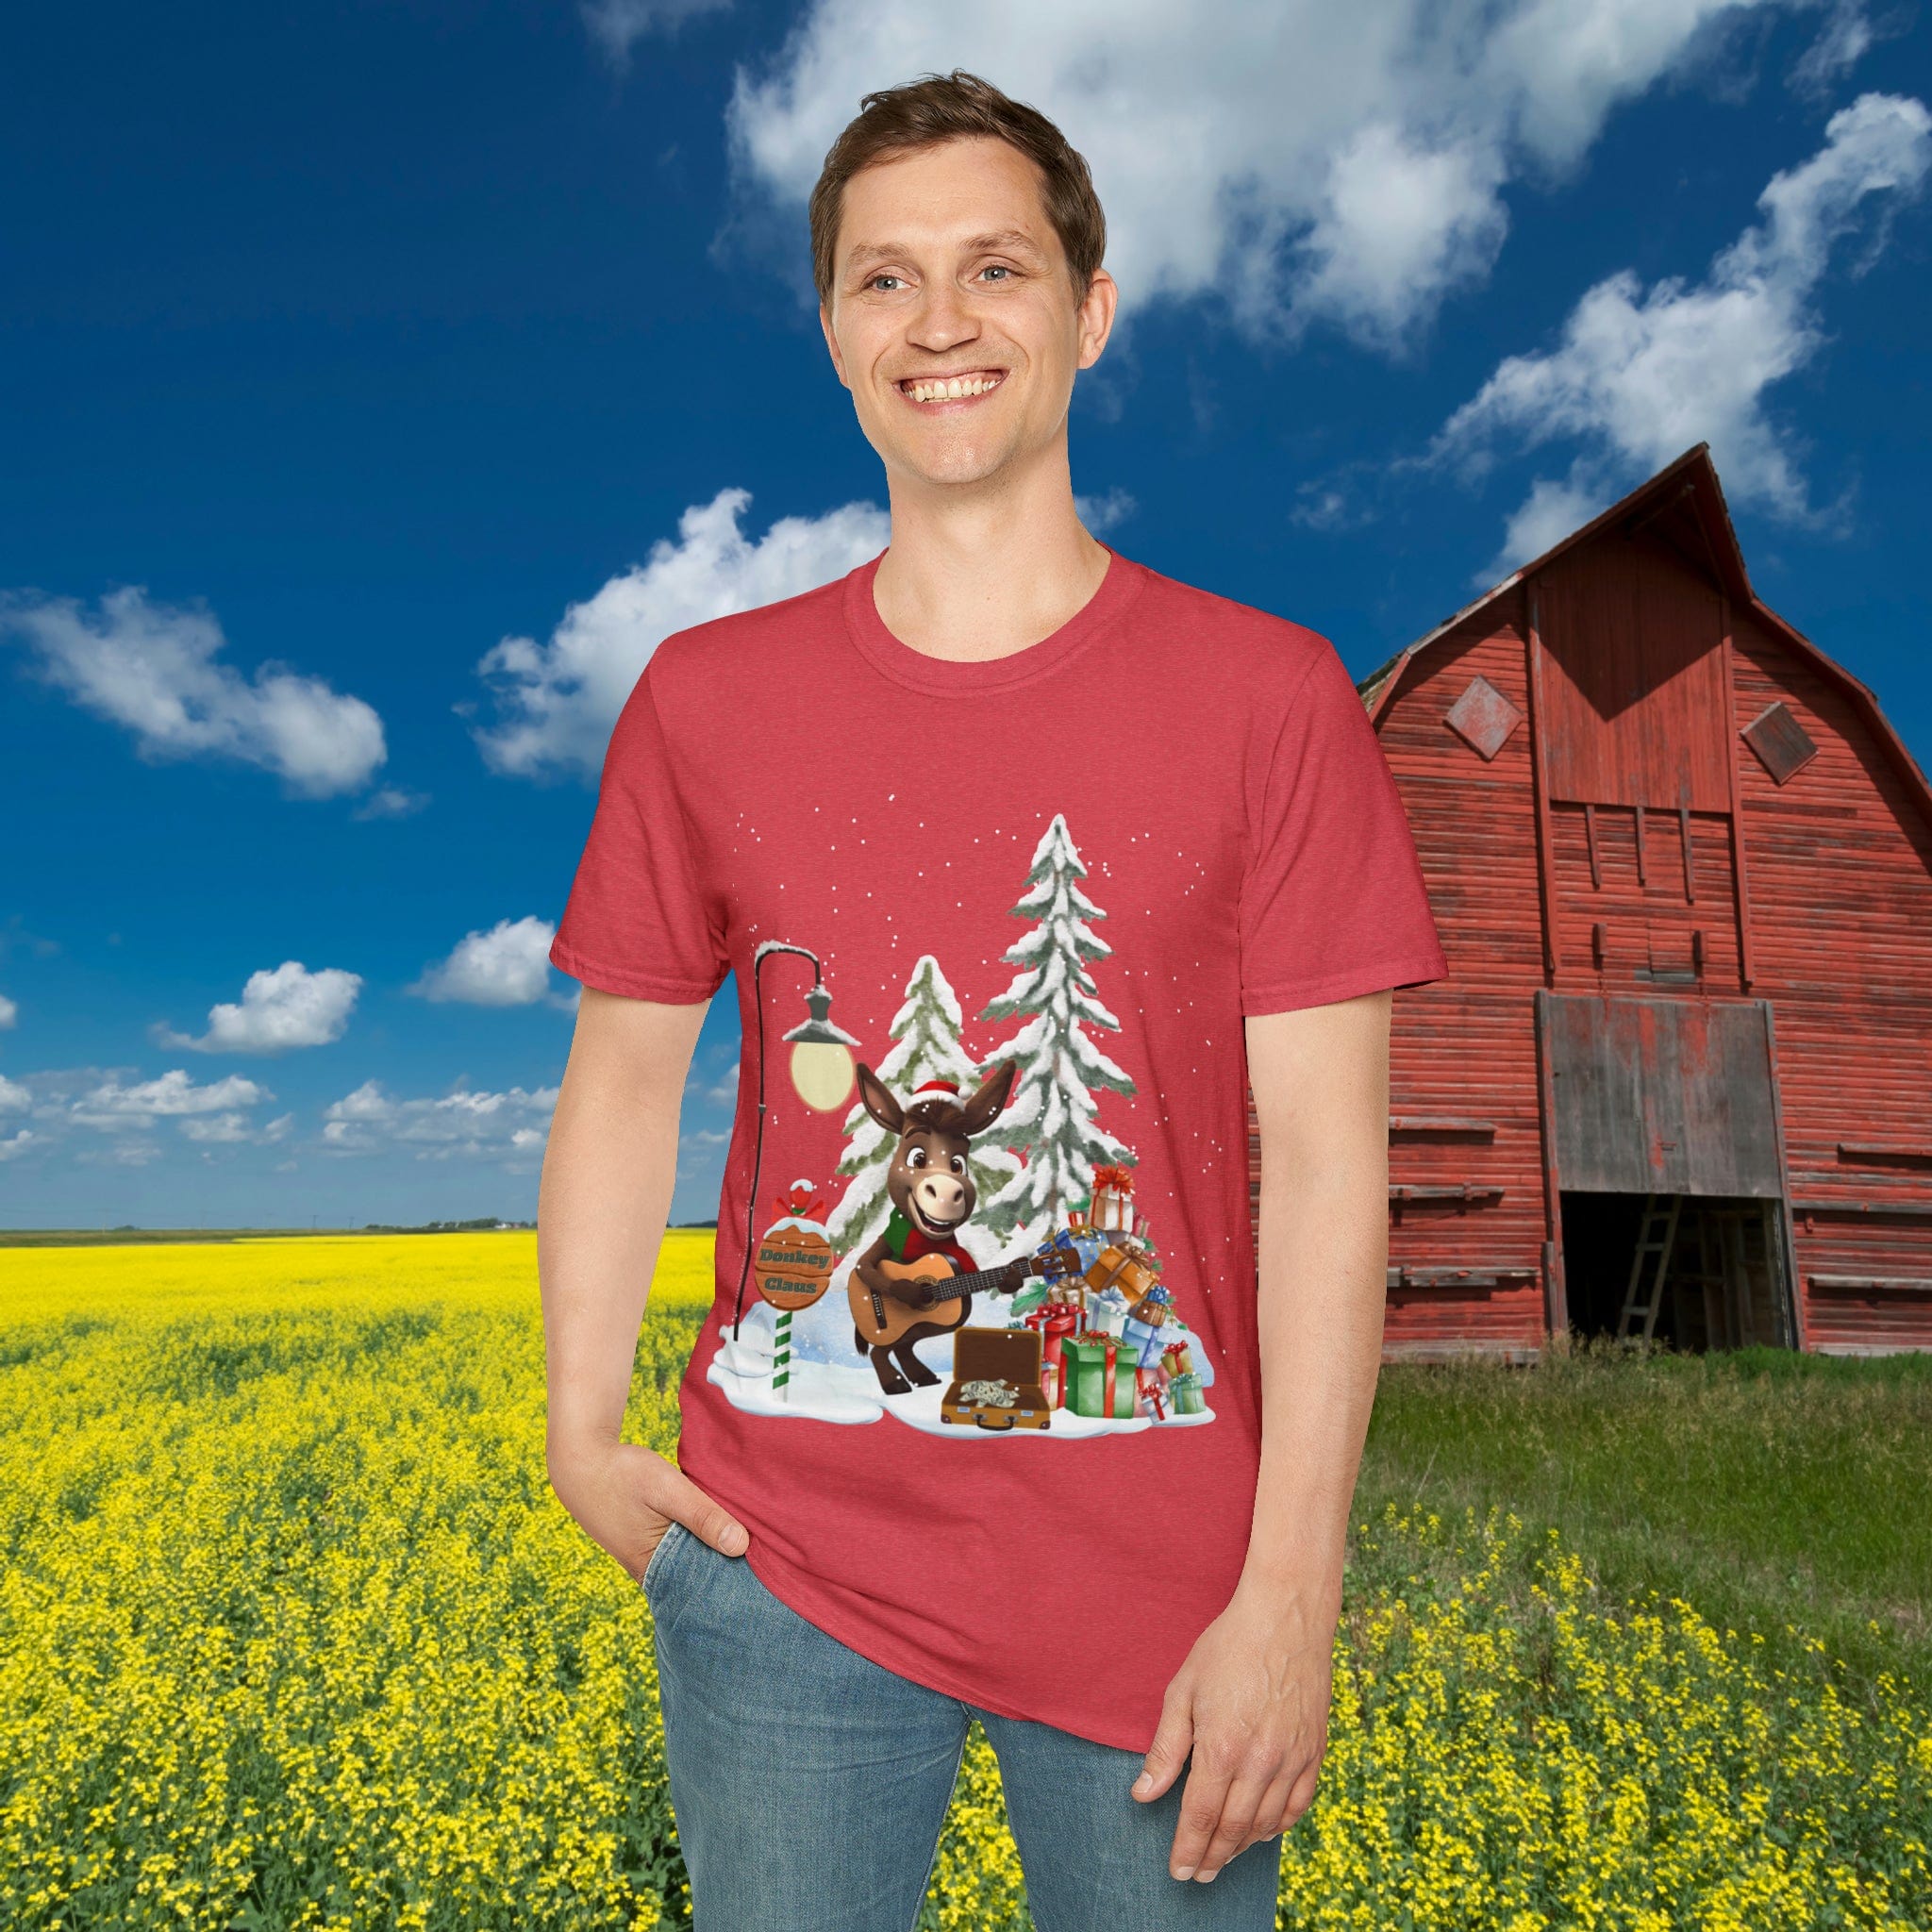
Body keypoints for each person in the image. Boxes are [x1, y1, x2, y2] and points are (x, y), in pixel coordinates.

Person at [540, 68, 1447, 1931]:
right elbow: (627, 1078)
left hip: (1172, 1599)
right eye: (883, 280)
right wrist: (577, 1422)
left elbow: (1329, 1166)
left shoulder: (1273, 697)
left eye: (994, 269)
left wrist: (1292, 1592)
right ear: (832, 336)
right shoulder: (703, 701)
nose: (938, 324)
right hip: (776, 1573)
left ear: (1088, 311)